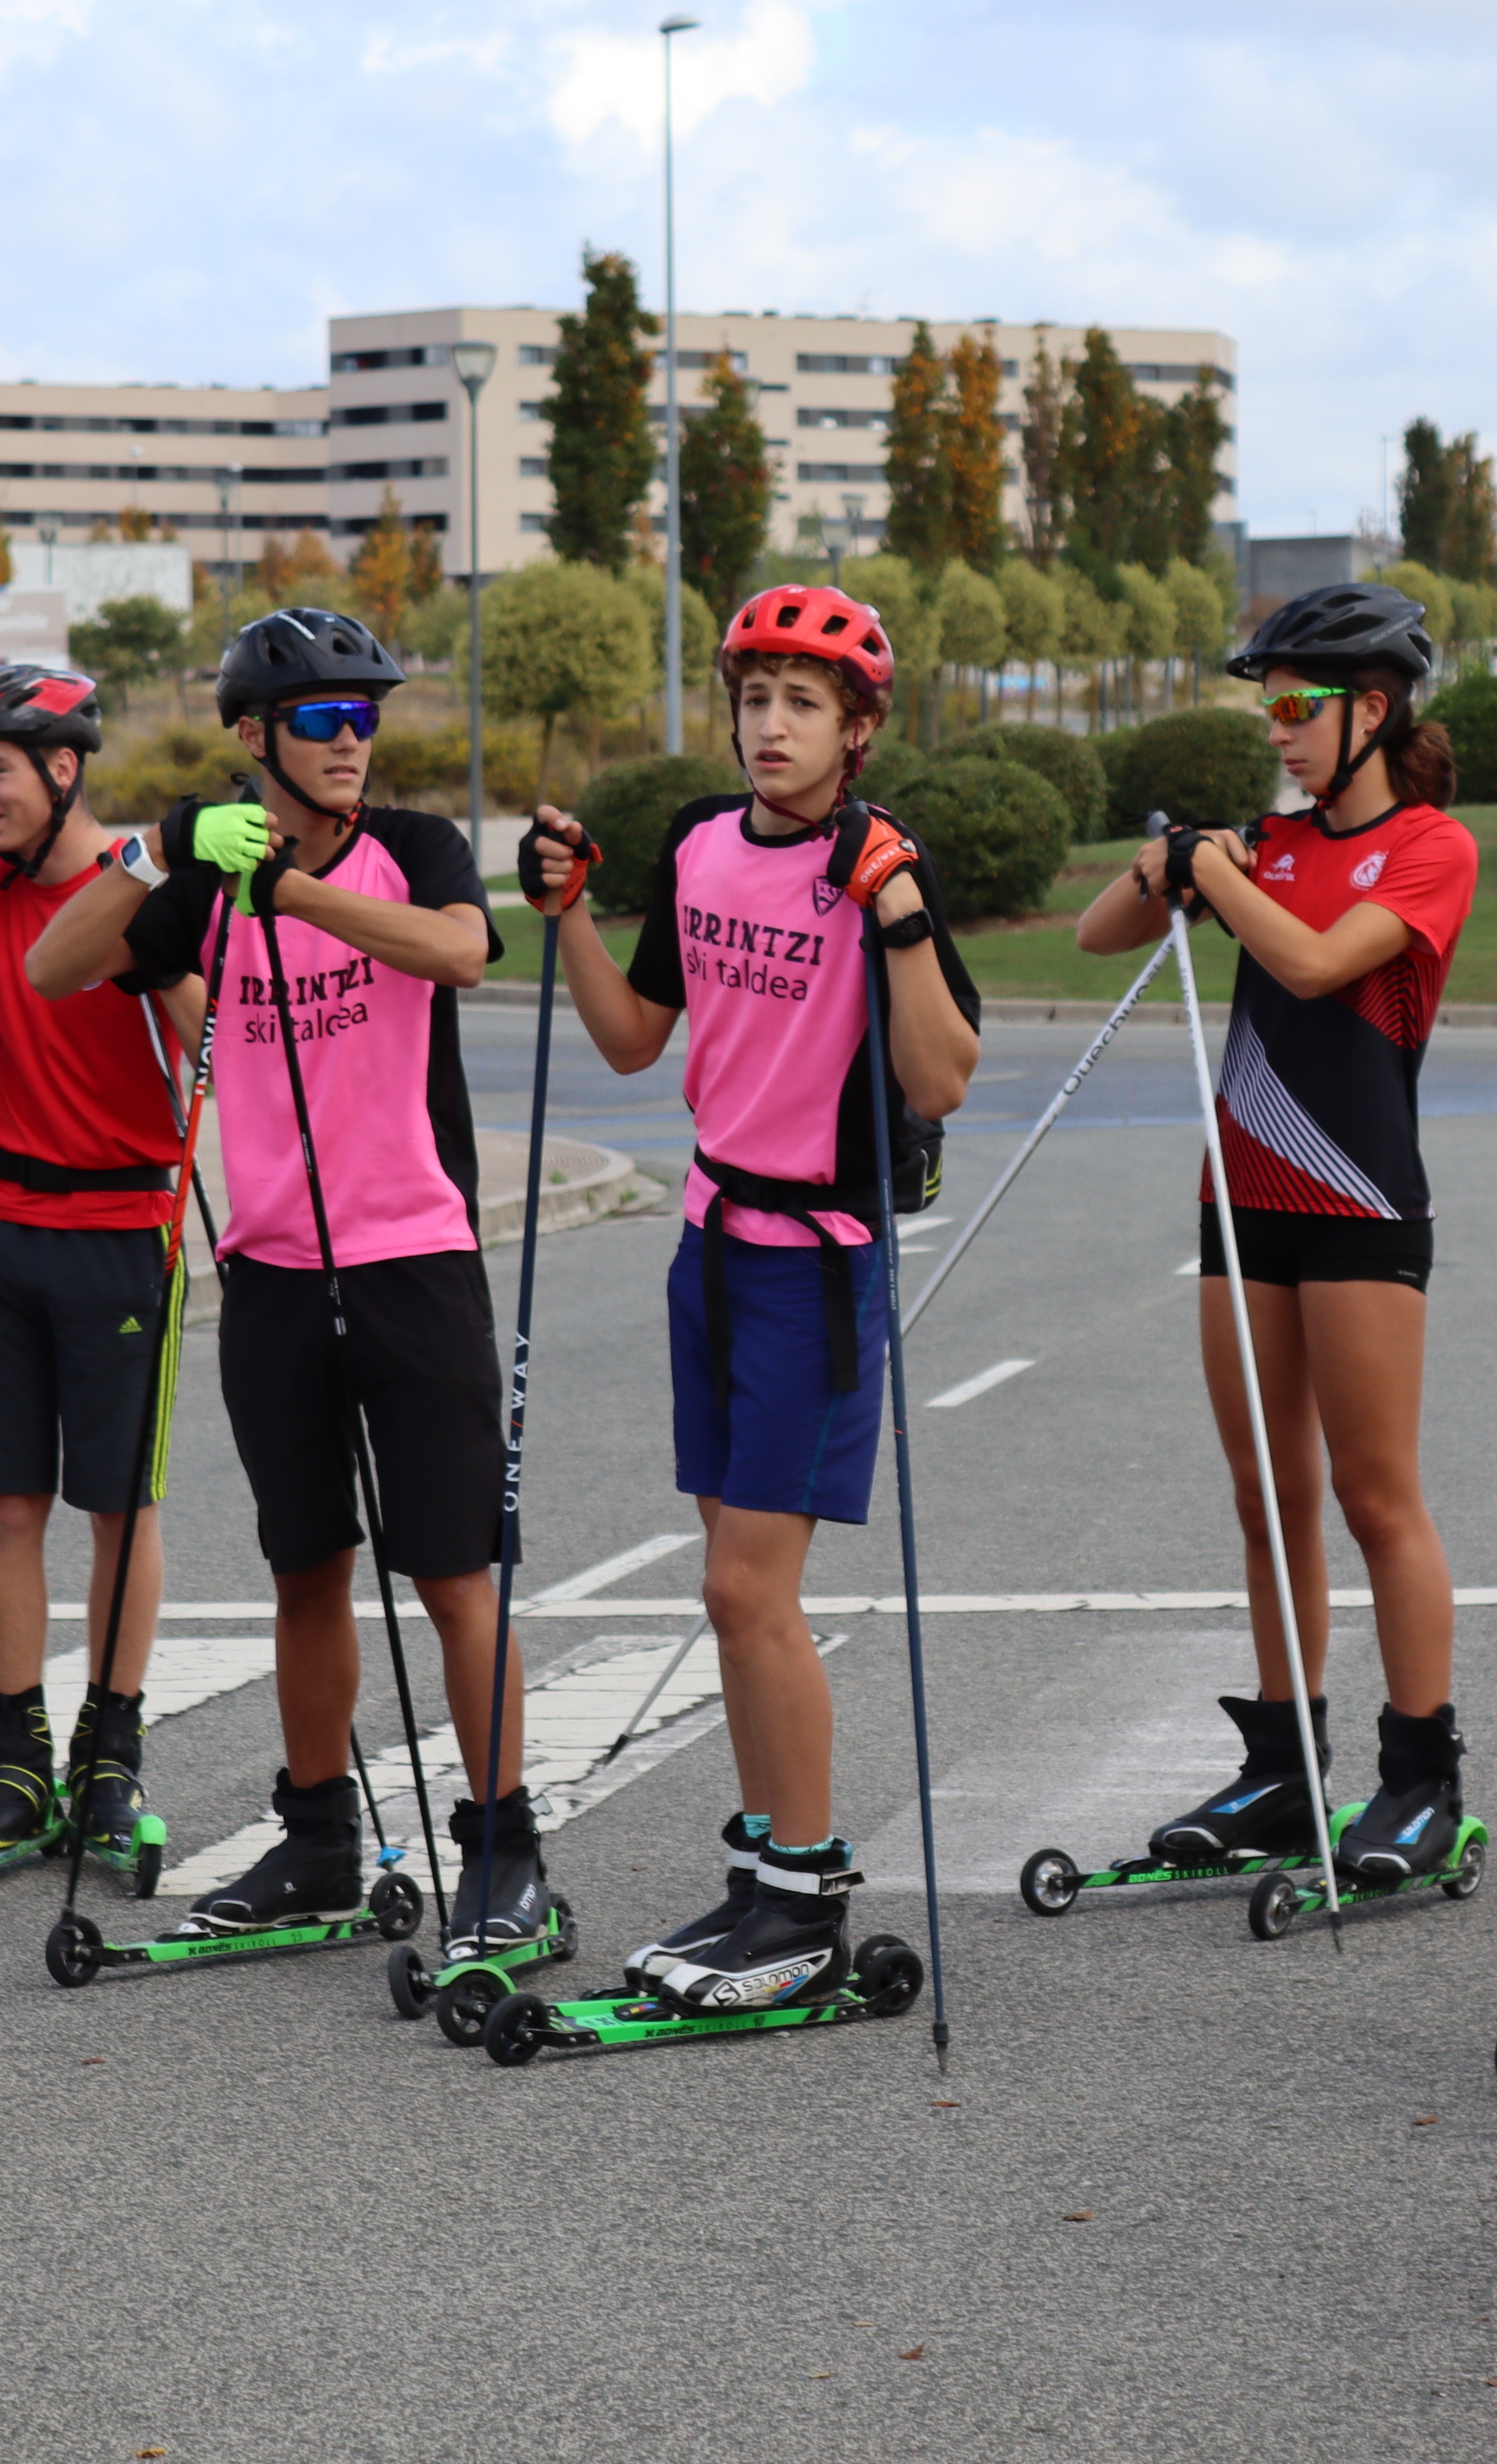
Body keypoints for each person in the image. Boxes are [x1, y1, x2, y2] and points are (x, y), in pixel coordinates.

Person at [24, 608, 543, 1950]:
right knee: (305, 1570)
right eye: (323, 718)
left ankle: (506, 1849)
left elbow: (462, 951)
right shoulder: (200, 874)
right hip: (269, 1272)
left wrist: (295, 895)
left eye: (365, 717)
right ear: (255, 735)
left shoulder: (413, 847)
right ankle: (317, 1839)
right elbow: (51, 966)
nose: (352, 740)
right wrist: (156, 851)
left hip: (414, 1261)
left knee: (454, 1576)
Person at [519, 583, 979, 2007]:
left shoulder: (876, 864)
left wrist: (897, 910)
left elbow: (942, 1077)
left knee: (744, 1587)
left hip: (817, 1264)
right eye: (756, 698)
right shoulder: (700, 844)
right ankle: (769, 1866)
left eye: (804, 703)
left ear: (857, 731)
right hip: (709, 1243)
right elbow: (631, 1040)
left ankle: (807, 1900)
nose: (772, 725)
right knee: (733, 1594)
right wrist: (568, 916)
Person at [1072, 580, 1481, 1884]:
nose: (1281, 729)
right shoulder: (1267, 842)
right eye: (1271, 709)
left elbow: (1313, 963)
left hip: (1359, 1202)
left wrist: (1216, 875)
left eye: (1300, 706)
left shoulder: (1431, 847)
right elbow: (1096, 934)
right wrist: (1171, 862)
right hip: (1239, 1202)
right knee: (1267, 1495)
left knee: (1375, 1496)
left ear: (1374, 710)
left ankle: (1420, 1776)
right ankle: (1285, 1763)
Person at [0, 663, 181, 1877]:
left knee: (118, 1504)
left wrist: (168, 942)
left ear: (65, 769)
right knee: (8, 1504)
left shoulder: (139, 886)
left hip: (121, 1226)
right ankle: (14, 1761)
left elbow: (208, 1049)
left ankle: (111, 1755)